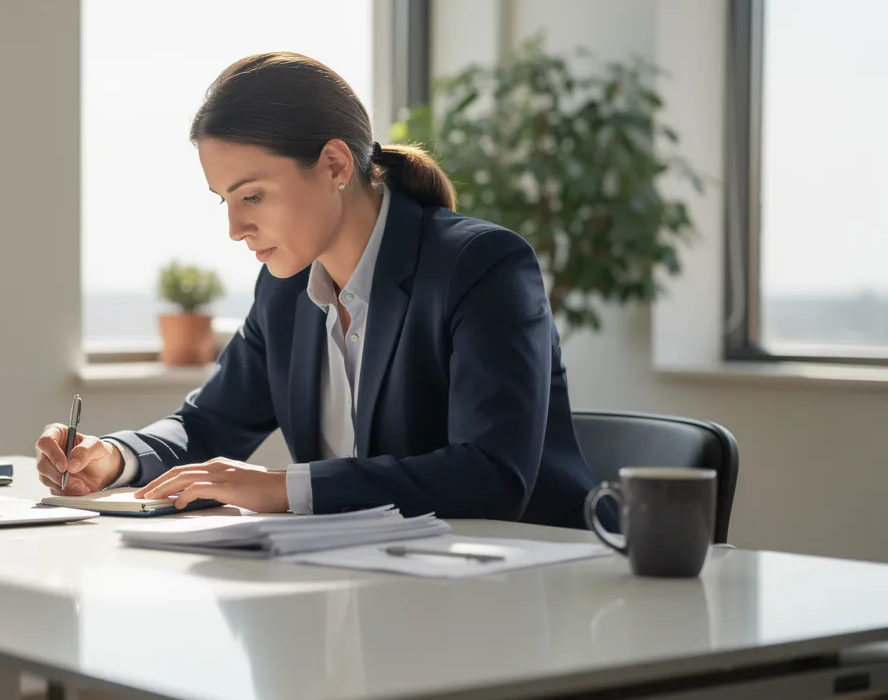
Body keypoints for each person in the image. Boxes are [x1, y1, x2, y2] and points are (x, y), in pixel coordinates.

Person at [36, 51, 613, 530]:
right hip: (373, 583)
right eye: (225, 201)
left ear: (335, 164)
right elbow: (207, 424)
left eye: (252, 196)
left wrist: (285, 487)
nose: (235, 229)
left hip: (532, 577)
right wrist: (115, 456)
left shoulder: (481, 265)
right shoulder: (286, 291)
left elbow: (491, 476)